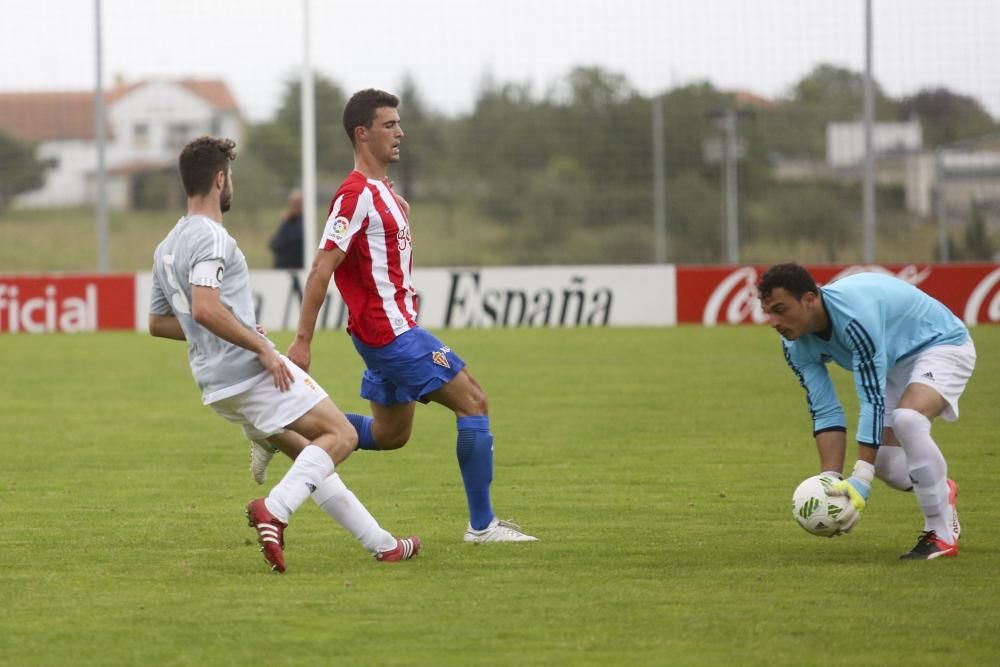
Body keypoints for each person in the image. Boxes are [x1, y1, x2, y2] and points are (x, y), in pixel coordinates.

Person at [148, 135, 420, 573]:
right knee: (341, 435)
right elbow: (204, 307)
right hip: (248, 371)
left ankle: (383, 544)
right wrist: (259, 345)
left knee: (311, 456)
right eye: (231, 176)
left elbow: (160, 323)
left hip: (215, 384)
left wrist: (230, 330)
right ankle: (274, 510)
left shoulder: (168, 246)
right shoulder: (212, 237)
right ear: (221, 179)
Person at [281, 89, 536, 543]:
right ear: (362, 134)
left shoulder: (384, 195)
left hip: (391, 329)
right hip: (390, 333)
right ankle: (483, 526)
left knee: (389, 433)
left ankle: (282, 421)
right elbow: (323, 266)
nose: (400, 133)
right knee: (473, 401)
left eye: (399, 124)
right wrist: (303, 340)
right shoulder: (354, 195)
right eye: (389, 125)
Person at [757, 263, 975, 559]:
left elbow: (870, 399)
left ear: (809, 299)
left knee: (908, 418)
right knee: (886, 464)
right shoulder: (794, 345)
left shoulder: (854, 318)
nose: (773, 321)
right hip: (893, 362)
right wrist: (830, 482)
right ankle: (939, 488)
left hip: (941, 345)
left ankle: (941, 535)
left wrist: (861, 479)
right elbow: (825, 411)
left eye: (780, 309)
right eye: (768, 311)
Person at [268, 188, 304, 269]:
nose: (293, 207)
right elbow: (274, 244)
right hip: (282, 271)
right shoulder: (287, 222)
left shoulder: (304, 224)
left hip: (297, 269)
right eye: (292, 204)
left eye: (297, 204)